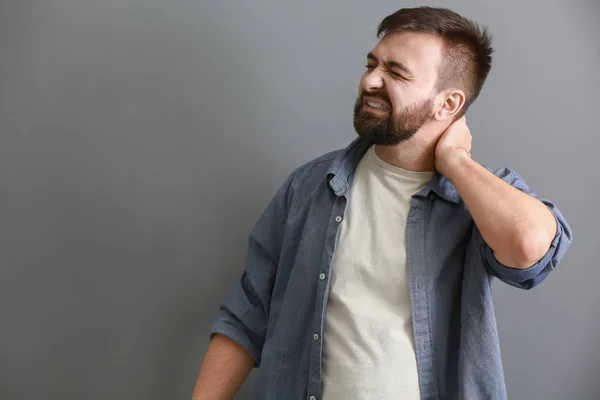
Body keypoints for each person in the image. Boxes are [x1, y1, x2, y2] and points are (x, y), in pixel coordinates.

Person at [191, 6, 572, 400]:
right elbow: (246, 317)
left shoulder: (477, 198)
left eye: (396, 72)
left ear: (448, 104)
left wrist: (456, 162)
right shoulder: (309, 187)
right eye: (372, 63)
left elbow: (529, 245)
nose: (370, 80)